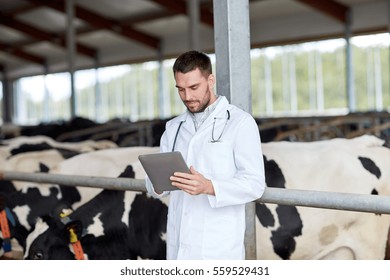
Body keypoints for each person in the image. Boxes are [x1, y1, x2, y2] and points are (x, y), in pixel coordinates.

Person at [145, 50, 266, 260]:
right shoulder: (173, 128)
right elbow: (152, 184)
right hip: (178, 243)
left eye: (194, 87)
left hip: (217, 247)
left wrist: (209, 187)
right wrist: (157, 184)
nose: (187, 97)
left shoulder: (239, 123)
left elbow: (255, 184)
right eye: (180, 89)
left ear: (210, 80)